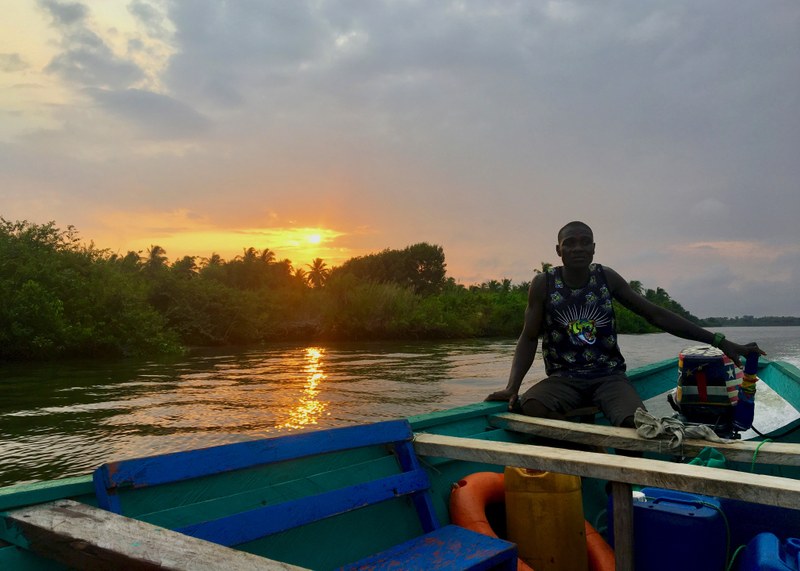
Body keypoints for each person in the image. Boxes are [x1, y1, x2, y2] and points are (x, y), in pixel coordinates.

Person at [486, 221, 764, 428]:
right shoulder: (543, 284)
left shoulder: (606, 278)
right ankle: (588, 451)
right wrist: (512, 387)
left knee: (636, 424)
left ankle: (621, 484)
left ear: (594, 249)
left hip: (609, 377)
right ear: (558, 250)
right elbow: (528, 337)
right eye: (570, 242)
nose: (578, 248)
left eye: (585, 242)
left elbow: (655, 315)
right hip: (563, 378)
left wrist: (720, 341)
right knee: (529, 406)